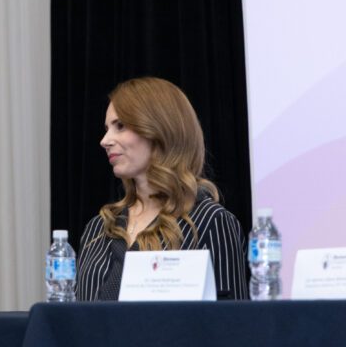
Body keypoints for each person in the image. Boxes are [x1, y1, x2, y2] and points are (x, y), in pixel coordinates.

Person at [76, 77, 247, 301]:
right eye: (107, 128)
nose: (105, 140)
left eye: (120, 126)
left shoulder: (211, 222)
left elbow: (233, 326)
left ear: (159, 129)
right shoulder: (99, 228)